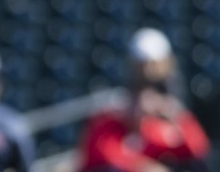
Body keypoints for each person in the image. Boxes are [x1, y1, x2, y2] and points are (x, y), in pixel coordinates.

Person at [78, 27, 211, 172]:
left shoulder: (169, 125)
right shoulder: (108, 122)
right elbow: (101, 156)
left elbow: (199, 150)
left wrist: (177, 118)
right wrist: (144, 167)